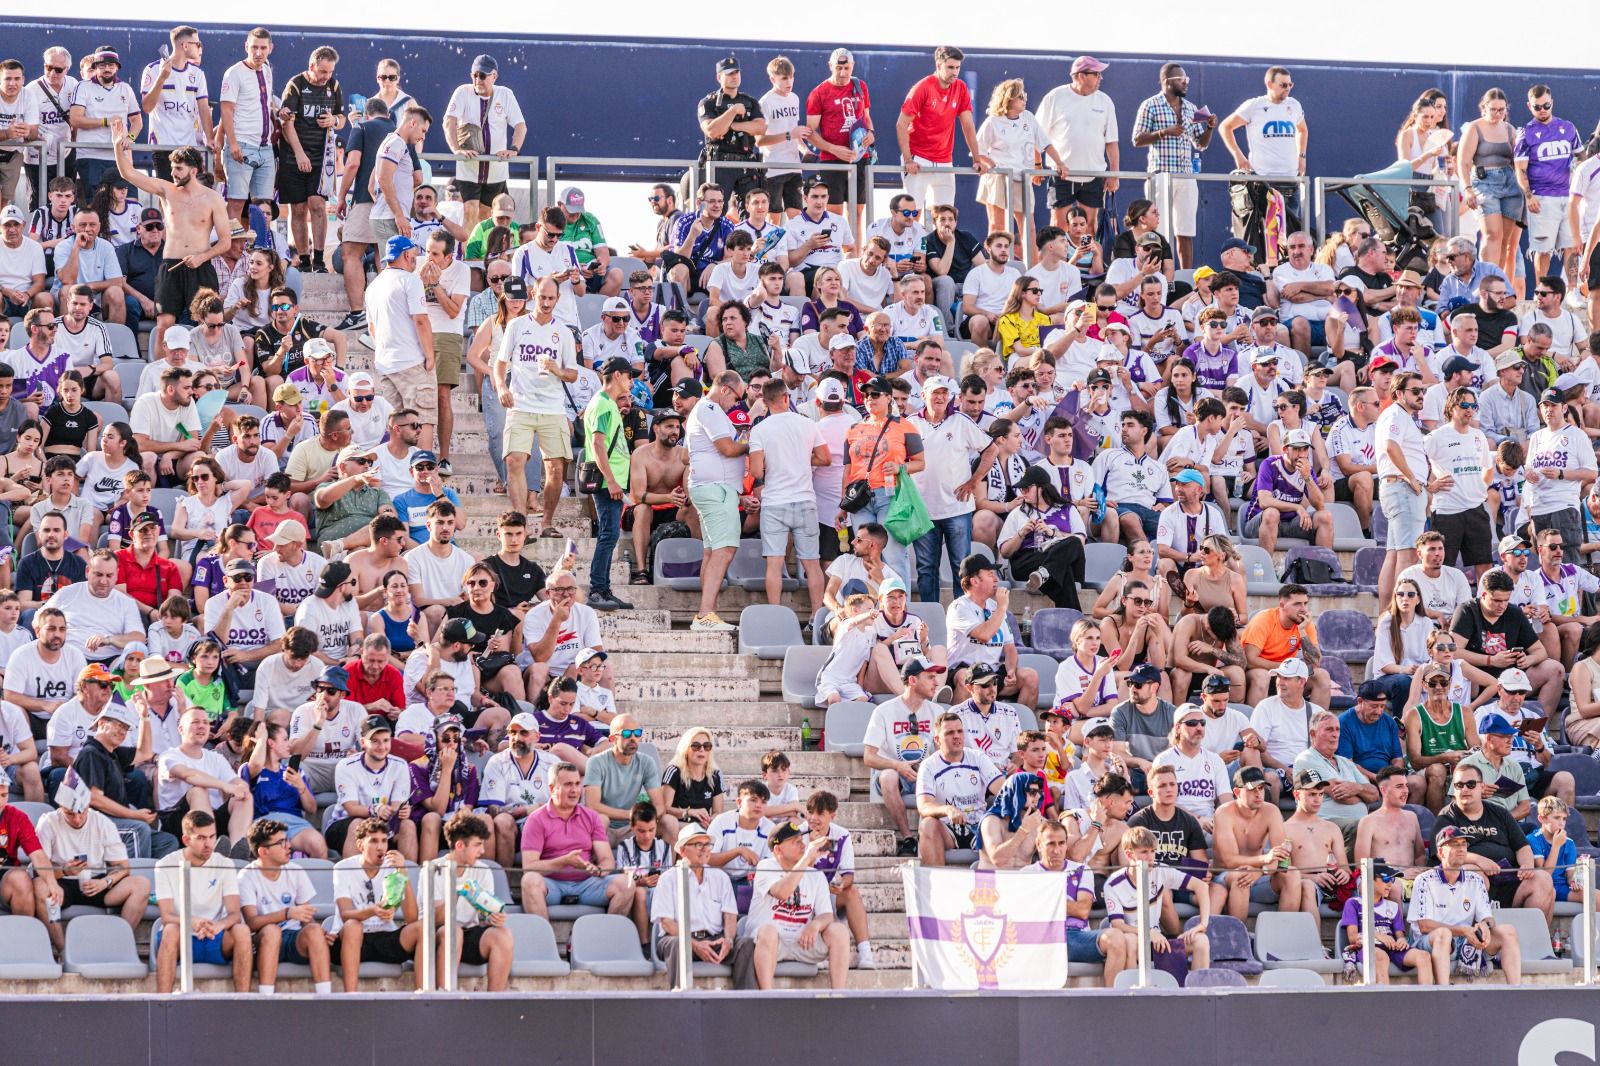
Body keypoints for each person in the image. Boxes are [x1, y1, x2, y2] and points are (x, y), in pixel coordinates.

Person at [31, 768, 150, 952]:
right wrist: (64, 871)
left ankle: (117, 947)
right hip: (61, 883)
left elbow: (123, 867)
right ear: (61, 807)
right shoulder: (48, 822)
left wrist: (105, 881)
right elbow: (41, 868)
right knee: (40, 886)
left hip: (98, 881)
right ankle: (63, 949)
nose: (77, 819)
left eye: (82, 811)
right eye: (70, 813)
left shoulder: (101, 822)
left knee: (141, 884)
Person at [742, 819, 851, 990]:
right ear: (778, 849)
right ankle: (767, 996)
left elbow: (826, 914)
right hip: (771, 944)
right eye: (796, 842)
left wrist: (815, 925)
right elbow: (782, 892)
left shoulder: (816, 875)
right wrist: (807, 859)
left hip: (803, 942)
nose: (803, 846)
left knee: (839, 931)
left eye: (802, 841)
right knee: (768, 931)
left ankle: (838, 995)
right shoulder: (766, 866)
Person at [1410, 825, 1522, 986]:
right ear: (1441, 852)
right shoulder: (1424, 880)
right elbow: (1424, 926)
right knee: (1443, 935)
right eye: (1455, 844)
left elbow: (1487, 917)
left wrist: (1485, 925)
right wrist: (1463, 931)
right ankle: (1444, 991)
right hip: (1430, 941)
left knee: (1508, 931)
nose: (1461, 849)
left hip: (1466, 941)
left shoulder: (1475, 879)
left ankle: (1515, 991)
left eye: (1463, 844)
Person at [517, 762, 631, 920]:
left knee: (627, 883)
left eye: (577, 784)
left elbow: (606, 859)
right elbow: (529, 867)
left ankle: (606, 937)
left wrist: (598, 870)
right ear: (552, 789)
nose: (575, 790)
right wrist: (564, 861)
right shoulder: (536, 819)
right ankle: (543, 940)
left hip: (587, 884)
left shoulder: (591, 816)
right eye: (568, 785)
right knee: (529, 880)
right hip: (552, 884)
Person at [153, 810, 251, 993]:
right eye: (201, 838)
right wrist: (193, 921)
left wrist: (218, 925)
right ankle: (162, 1001)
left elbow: (235, 914)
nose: (208, 844)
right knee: (170, 929)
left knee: (242, 931)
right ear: (186, 840)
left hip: (216, 936)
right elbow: (167, 916)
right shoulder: (164, 865)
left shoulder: (225, 864)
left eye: (212, 837)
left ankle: (243, 1003)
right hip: (181, 935)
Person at [238, 816, 335, 996]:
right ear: (263, 851)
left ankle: (325, 998)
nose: (288, 846)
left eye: (287, 840)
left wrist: (319, 934)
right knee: (272, 931)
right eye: (281, 843)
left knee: (314, 930)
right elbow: (251, 923)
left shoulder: (295, 870)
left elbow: (306, 916)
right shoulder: (247, 876)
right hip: (260, 939)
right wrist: (287, 913)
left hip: (293, 938)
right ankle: (265, 999)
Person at [1131, 63, 1216, 268]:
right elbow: (1137, 139)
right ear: (1166, 82)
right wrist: (1163, 132)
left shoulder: (1190, 108)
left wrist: (1210, 128)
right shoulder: (1150, 105)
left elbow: (1200, 144)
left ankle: (1186, 276)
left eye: (1186, 79)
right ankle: (1159, 273)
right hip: (1161, 174)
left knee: (1186, 231)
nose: (1185, 83)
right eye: (1181, 79)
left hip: (1186, 176)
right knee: (1159, 230)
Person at [895, 46, 992, 221]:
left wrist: (977, 159)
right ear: (938, 65)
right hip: (918, 159)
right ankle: (916, 249)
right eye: (950, 67)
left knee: (945, 217)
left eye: (957, 68)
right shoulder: (922, 87)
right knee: (912, 217)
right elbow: (901, 124)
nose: (954, 72)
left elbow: (968, 125)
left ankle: (936, 250)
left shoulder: (961, 88)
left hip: (945, 161)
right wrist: (908, 160)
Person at [1452, 568, 1565, 716]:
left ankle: (1539, 727)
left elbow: (1540, 651)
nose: (1502, 606)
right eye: (1497, 600)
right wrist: (1490, 660)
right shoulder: (1467, 610)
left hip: (1512, 676)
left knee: (1555, 668)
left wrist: (1528, 659)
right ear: (1484, 595)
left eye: (1506, 600)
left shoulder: (1514, 612)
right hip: (1478, 678)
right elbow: (1453, 652)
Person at [330, 815, 423, 991]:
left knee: (422, 928)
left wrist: (403, 873)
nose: (380, 847)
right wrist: (373, 910)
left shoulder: (392, 867)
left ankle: (422, 995)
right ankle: (351, 997)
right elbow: (345, 914)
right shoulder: (343, 867)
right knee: (352, 926)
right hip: (352, 939)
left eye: (384, 841)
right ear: (360, 845)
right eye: (373, 841)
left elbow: (412, 918)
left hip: (384, 936)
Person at [651, 824, 748, 990]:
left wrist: (729, 940)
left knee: (746, 944)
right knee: (678, 945)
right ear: (682, 850)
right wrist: (694, 943)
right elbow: (666, 923)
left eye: (707, 845)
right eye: (698, 845)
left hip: (714, 939)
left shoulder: (720, 877)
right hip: (679, 938)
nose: (705, 849)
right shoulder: (668, 878)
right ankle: (681, 1000)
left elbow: (730, 916)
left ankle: (746, 1001)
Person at [442, 55, 526, 232]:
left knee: (486, 216)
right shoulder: (462, 92)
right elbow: (449, 121)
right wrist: (456, 149)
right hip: (469, 167)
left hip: (495, 170)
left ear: (494, 76)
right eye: (474, 75)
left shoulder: (505, 94)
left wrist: (514, 149)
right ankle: (467, 257)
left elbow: (520, 125)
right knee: (469, 211)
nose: (477, 80)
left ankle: (484, 256)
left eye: (482, 76)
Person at [948, 556, 1039, 709]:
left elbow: (1010, 647)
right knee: (966, 678)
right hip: (963, 669)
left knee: (1030, 677)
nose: (997, 579)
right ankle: (956, 726)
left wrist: (1010, 670)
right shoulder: (959, 607)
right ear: (974, 581)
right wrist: (1002, 608)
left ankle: (1019, 729)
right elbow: (984, 635)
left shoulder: (994, 606)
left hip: (992, 672)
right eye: (990, 575)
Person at [1527, 387, 1597, 565]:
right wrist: (1528, 474)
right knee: (1546, 566)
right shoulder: (1536, 437)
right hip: (1539, 507)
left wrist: (1561, 474)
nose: (1549, 409)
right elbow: (1528, 469)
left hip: (1563, 506)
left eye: (1553, 405)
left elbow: (1592, 472)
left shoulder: (1576, 435)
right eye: (1545, 405)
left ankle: (1574, 595)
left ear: (1564, 408)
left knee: (1568, 565)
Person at [1241, 584, 1331, 707]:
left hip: (1288, 674)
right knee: (1261, 676)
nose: (1303, 609)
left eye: (1305, 603)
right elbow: (1250, 660)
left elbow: (1315, 662)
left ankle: (1318, 725)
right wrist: (1285, 668)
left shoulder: (1304, 624)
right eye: (1297, 604)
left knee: (1322, 676)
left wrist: (1302, 631)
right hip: (1260, 673)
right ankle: (1254, 725)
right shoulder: (1264, 619)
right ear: (1282, 605)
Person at [583, 714, 665, 845]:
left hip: (633, 827)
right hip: (606, 827)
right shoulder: (596, 762)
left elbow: (660, 805)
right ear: (612, 739)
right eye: (626, 734)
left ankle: (669, 865)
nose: (633, 738)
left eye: (637, 733)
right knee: (602, 819)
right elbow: (592, 805)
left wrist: (644, 819)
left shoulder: (646, 762)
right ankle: (598, 864)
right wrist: (630, 814)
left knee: (669, 823)